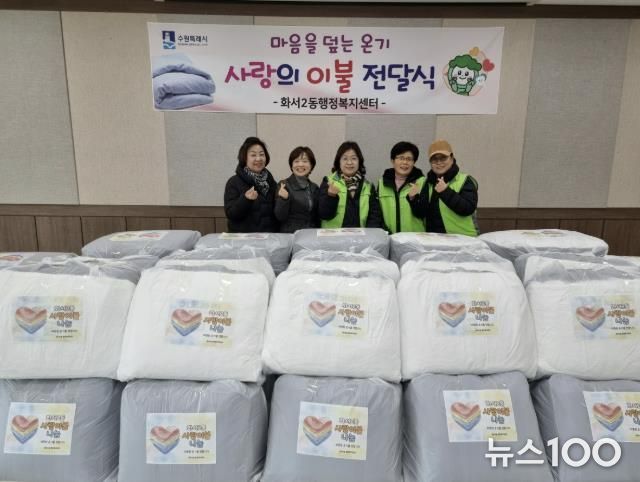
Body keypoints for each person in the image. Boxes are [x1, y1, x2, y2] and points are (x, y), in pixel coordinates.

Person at [408, 139, 479, 236]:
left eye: (443, 158)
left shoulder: (465, 180)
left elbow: (468, 209)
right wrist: (413, 199)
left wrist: (446, 192)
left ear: (452, 158)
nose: (439, 162)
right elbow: (421, 213)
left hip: (462, 239)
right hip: (433, 239)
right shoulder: (427, 183)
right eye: (434, 159)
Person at [318, 141, 383, 229]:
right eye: (345, 159)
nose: (349, 162)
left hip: (360, 236)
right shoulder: (328, 181)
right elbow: (324, 215)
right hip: (334, 236)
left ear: (359, 161)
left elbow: (374, 217)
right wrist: (331, 197)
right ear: (339, 161)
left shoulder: (368, 186)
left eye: (354, 158)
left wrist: (368, 235)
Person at [223, 136, 278, 232]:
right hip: (244, 239)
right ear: (245, 158)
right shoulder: (233, 182)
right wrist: (245, 199)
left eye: (262, 154)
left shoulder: (271, 182)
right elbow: (231, 214)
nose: (258, 158)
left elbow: (278, 214)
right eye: (253, 155)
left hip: (268, 238)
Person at [378, 141, 426, 233]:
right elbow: (378, 214)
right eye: (401, 158)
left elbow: (425, 214)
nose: (405, 162)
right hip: (390, 237)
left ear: (414, 162)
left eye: (409, 159)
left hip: (415, 239)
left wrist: (414, 199)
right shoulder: (382, 184)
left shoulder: (422, 183)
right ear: (393, 161)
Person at [274, 146, 319, 233]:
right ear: (291, 165)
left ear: (311, 165)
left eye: (305, 161)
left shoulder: (314, 187)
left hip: (310, 235)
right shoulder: (284, 185)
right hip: (291, 235)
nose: (300, 164)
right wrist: (283, 199)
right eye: (296, 161)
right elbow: (280, 216)